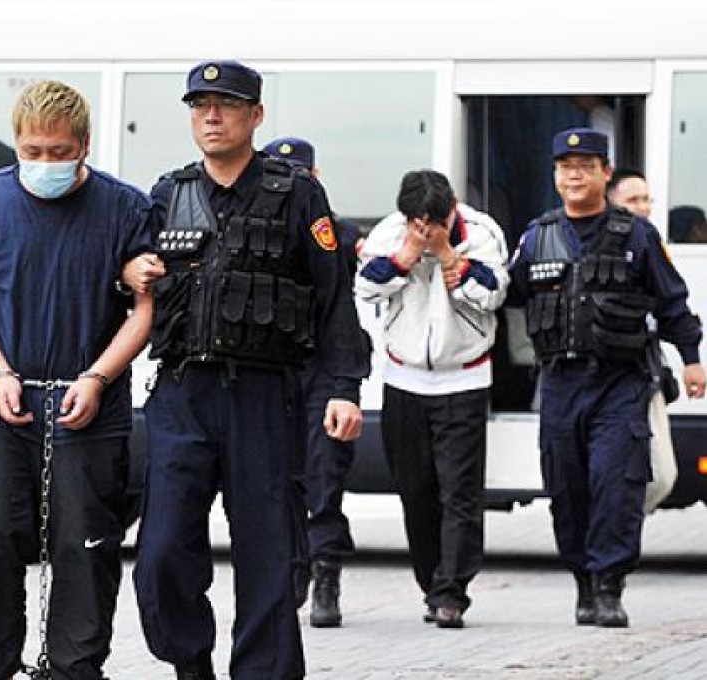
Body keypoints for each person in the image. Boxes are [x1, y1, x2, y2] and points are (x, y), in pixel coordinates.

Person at [125, 61, 368, 680]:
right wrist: (131, 274)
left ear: (255, 115)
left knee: (268, 555)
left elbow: (333, 295)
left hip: (263, 396)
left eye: (226, 104)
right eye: (200, 105)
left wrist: (343, 388)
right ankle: (189, 664)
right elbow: (132, 279)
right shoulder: (167, 194)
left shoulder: (296, 194)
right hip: (181, 393)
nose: (211, 115)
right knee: (159, 554)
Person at [0, 79, 154, 680]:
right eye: (32, 153)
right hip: (2, 404)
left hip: (90, 408)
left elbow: (145, 308)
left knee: (84, 549)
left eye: (59, 153)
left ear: (83, 145)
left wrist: (99, 377)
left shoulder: (126, 208)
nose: (45, 164)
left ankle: (75, 669)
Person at [507, 127, 706, 628]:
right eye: (565, 166)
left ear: (604, 173)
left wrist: (690, 358)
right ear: (555, 176)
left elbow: (673, 301)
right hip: (558, 382)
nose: (575, 174)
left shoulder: (636, 235)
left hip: (620, 382)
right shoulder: (537, 236)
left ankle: (609, 583)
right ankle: (582, 582)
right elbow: (505, 297)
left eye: (586, 165)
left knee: (616, 485)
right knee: (567, 489)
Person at [356, 170, 509, 629]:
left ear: (452, 208)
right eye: (416, 221)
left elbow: (493, 294)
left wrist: (446, 254)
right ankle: (431, 583)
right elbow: (366, 286)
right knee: (415, 490)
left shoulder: (480, 233)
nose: (423, 229)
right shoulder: (390, 232)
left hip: (463, 379)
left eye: (433, 221)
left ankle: (452, 592)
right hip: (404, 379)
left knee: (459, 492)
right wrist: (404, 257)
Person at [262, 136, 369, 628]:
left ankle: (326, 571)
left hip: (325, 368)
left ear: (315, 178)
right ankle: (292, 567)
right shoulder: (256, 229)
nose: (290, 182)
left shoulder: (342, 236)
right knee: (281, 478)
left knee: (325, 474)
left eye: (300, 174)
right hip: (274, 369)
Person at [606, 169, 679, 513]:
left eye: (647, 199)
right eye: (633, 200)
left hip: (643, 371)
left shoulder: (649, 242)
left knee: (663, 475)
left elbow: (672, 304)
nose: (644, 207)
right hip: (604, 375)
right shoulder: (600, 244)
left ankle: (616, 527)